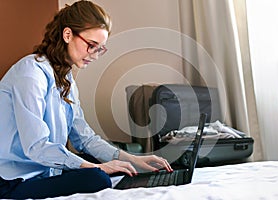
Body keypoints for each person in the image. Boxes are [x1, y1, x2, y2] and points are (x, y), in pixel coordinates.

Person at [0, 1, 172, 199]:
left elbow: (84, 138)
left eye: (100, 49)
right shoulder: (31, 73)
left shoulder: (66, 80)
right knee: (98, 178)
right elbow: (36, 146)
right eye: (91, 46)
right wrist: (98, 168)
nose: (95, 55)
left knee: (105, 166)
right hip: (13, 179)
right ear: (67, 35)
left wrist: (134, 160)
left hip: (44, 169)